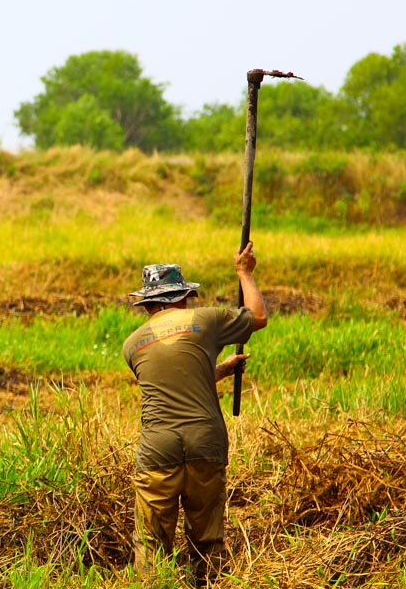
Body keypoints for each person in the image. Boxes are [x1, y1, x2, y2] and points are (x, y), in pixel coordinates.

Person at [122, 241, 267, 585]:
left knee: (151, 544)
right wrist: (244, 273)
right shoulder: (207, 319)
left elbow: (171, 381)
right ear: (183, 297)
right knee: (208, 540)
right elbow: (258, 316)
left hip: (158, 450)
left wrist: (218, 369)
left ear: (148, 305)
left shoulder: (132, 344)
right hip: (205, 443)